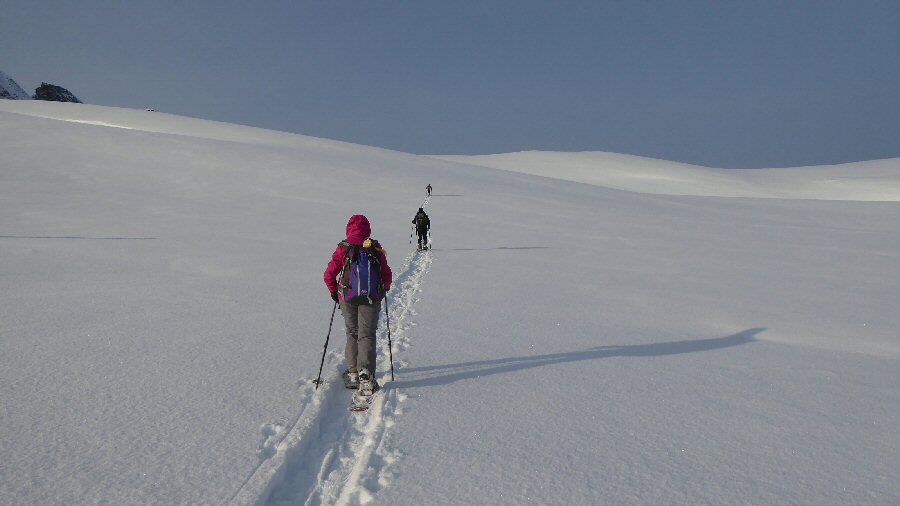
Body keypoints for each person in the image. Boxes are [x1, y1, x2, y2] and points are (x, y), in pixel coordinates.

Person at [323, 215, 392, 395]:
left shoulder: (344, 247)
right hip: (371, 298)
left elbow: (329, 274)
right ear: (368, 229)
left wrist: (334, 292)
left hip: (347, 297)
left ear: (349, 228)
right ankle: (366, 375)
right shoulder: (374, 247)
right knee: (366, 334)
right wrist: (383, 289)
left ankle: (353, 373)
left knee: (352, 332)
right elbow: (386, 274)